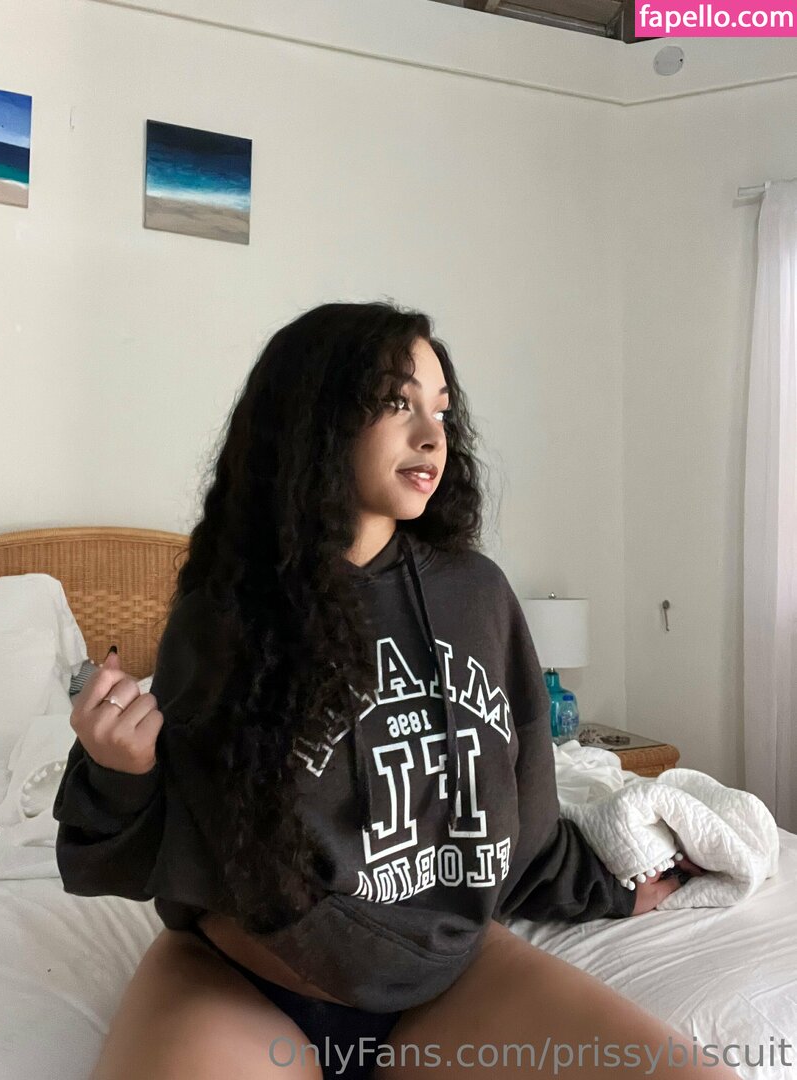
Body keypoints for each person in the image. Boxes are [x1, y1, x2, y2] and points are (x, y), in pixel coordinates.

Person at [53, 301, 732, 1080]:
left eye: (440, 409)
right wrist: (120, 769)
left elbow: (521, 808)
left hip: (444, 982)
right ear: (314, 418)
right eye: (395, 402)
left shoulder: (477, 596)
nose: (431, 435)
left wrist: (609, 888)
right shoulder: (225, 617)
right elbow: (157, 851)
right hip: (240, 984)